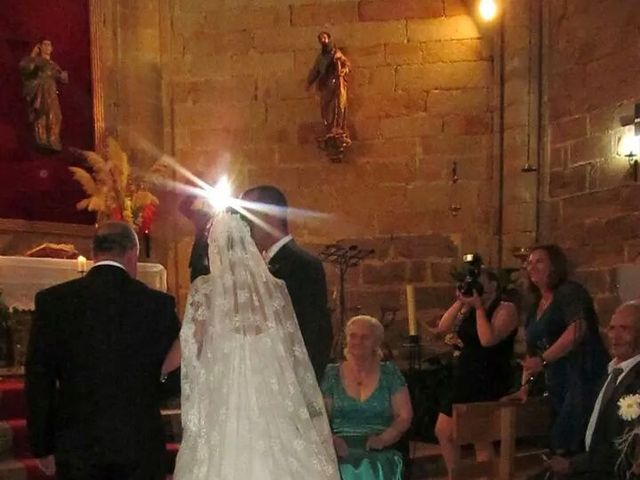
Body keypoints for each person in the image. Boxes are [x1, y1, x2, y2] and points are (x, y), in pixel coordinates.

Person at [164, 211, 339, 480]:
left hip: (224, 402)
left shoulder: (205, 290)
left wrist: (162, 368)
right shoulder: (274, 289)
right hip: (269, 400)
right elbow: (291, 349)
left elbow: (189, 342)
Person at [25, 221, 180, 480]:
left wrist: (42, 445)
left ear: (94, 252)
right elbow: (173, 378)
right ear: (132, 252)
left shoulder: (54, 302)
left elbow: (39, 380)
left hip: (77, 445)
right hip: (138, 442)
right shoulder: (157, 305)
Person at [512, 244, 609, 455]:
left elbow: (578, 328)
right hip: (557, 382)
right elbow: (532, 353)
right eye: (529, 263)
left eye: (539, 261)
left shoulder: (569, 292)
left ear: (554, 266)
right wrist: (525, 387)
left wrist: (544, 359)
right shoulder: (534, 306)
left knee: (567, 440)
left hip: (581, 375)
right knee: (556, 442)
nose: (532, 267)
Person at [432, 268, 519, 478]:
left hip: (487, 376)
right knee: (443, 431)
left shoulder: (505, 308)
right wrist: (462, 301)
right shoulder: (469, 307)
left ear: (494, 285)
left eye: (479, 282)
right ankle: (457, 475)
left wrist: (479, 308)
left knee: (480, 437)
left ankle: (485, 477)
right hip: (465, 374)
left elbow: (487, 340)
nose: (475, 286)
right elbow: (443, 328)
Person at [241, 185, 333, 381]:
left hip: (291, 381)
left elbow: (315, 333)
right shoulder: (262, 263)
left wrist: (305, 385)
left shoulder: (302, 264)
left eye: (249, 215)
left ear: (270, 215)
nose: (245, 224)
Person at [546, 302, 640, 479]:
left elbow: (623, 448)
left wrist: (572, 465)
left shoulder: (636, 382)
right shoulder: (610, 373)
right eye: (612, 328)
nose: (615, 336)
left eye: (625, 329)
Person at [321, 315, 413, 480]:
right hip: (339, 447)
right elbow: (320, 416)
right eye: (353, 336)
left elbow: (404, 416)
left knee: (376, 464)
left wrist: (383, 439)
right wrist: (331, 440)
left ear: (376, 342)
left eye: (365, 337)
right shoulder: (331, 373)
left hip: (378, 446)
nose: (358, 341)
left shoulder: (390, 373)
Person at [307, 31, 352, 159]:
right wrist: (309, 82)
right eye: (321, 38)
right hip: (326, 84)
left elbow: (347, 64)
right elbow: (316, 70)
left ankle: (338, 128)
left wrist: (344, 69)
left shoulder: (335, 53)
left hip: (336, 82)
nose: (323, 40)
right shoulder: (321, 58)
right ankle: (330, 128)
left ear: (329, 39)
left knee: (338, 105)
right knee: (325, 106)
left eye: (325, 38)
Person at [18, 39, 68, 152]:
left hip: (51, 90)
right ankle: (42, 140)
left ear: (51, 48)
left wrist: (63, 76)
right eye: (44, 45)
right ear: (40, 47)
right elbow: (25, 68)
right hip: (40, 91)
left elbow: (61, 77)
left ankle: (54, 140)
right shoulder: (36, 61)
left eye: (49, 45)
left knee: (56, 115)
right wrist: (33, 54)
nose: (47, 47)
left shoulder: (53, 64)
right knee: (41, 114)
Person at [178, 194, 211, 282]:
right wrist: (195, 193)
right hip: (199, 260)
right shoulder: (203, 215)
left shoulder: (227, 216)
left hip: (217, 263)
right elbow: (183, 207)